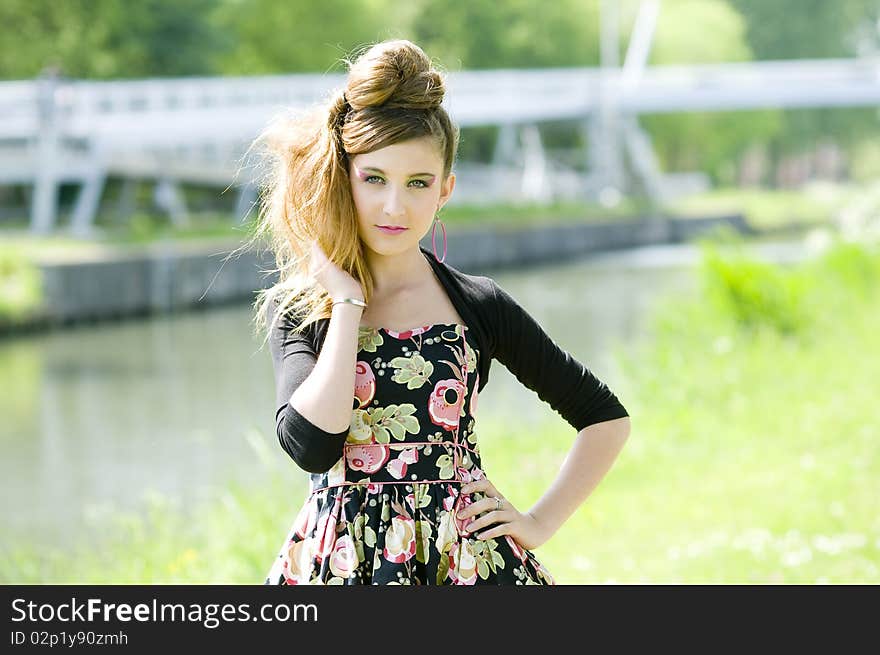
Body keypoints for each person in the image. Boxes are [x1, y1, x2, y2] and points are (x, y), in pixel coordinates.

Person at [252, 39, 631, 585]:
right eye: (375, 178)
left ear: (445, 190)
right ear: (344, 178)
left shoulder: (477, 304)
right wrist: (346, 302)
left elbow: (604, 418)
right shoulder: (304, 310)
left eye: (418, 184)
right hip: (341, 566)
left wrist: (537, 522)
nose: (394, 206)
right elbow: (313, 447)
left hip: (467, 564)